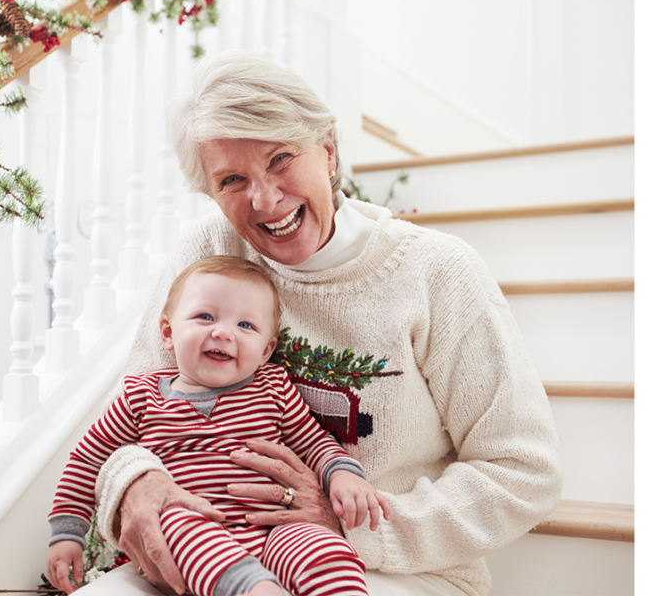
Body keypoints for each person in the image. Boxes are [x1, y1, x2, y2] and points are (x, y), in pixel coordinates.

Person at [77, 51, 562, 596]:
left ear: (328, 152)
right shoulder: (210, 250)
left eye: (281, 158)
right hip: (212, 551)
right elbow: (131, 416)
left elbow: (523, 471)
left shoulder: (438, 273)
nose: (264, 199)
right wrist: (135, 484)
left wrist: (350, 525)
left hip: (391, 565)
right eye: (232, 179)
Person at [47, 256, 391, 596]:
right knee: (172, 519)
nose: (223, 332)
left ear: (265, 351)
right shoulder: (141, 396)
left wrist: (344, 475)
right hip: (195, 531)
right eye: (205, 316)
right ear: (168, 332)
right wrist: (67, 532)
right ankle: (256, 589)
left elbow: (315, 443)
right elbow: (88, 460)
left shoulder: (273, 388)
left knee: (321, 546)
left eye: (246, 326)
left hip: (274, 530)